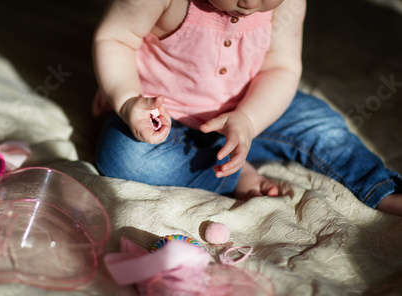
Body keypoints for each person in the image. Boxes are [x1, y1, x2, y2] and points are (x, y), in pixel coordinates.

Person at [91, 0, 402, 216]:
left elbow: (280, 68)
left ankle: (380, 188)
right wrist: (128, 99)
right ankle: (234, 174)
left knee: (320, 123)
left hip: (250, 106)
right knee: (124, 158)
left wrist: (249, 120)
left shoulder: (287, 4)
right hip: (162, 118)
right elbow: (114, 38)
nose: (252, 4)